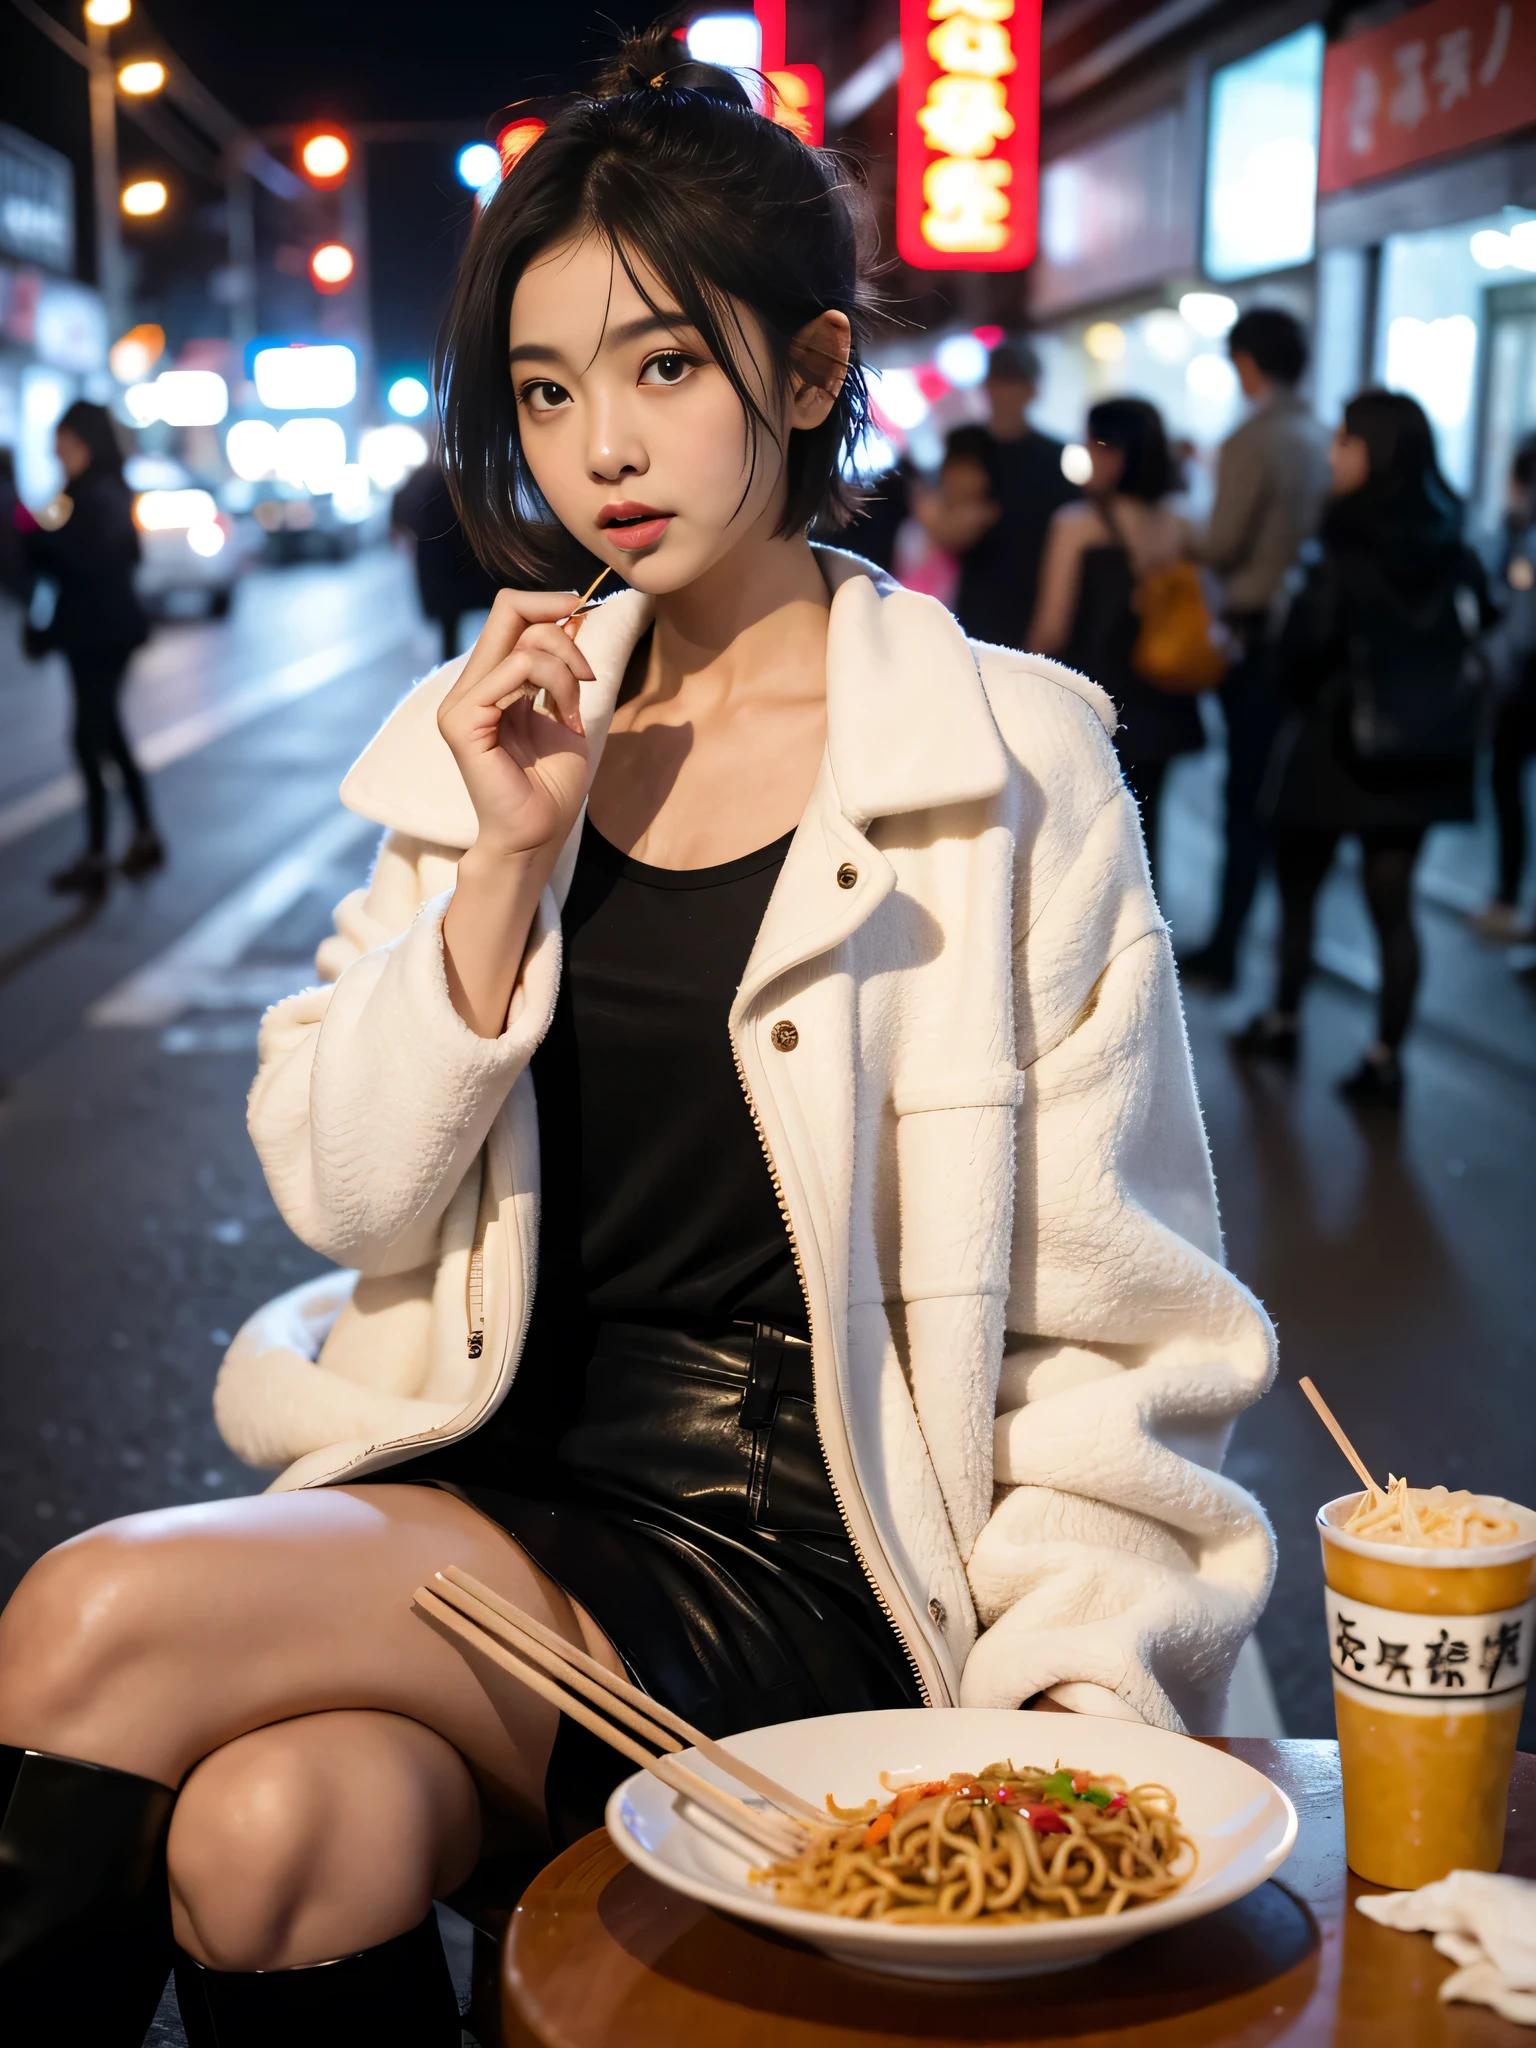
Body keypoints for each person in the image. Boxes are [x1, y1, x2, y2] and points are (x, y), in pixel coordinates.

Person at [0, 32, 1276, 2044]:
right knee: (269, 1835)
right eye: (546, 387)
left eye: (664, 365)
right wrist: (501, 868)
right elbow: (338, 1188)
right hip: (495, 1491)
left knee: (86, 1616)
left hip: (821, 1554)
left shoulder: (1004, 758)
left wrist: (1070, 1715)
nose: (601, 444)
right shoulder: (491, 730)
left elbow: (1124, 1322)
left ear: (808, 368)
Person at [1233, 390, 1492, 1108]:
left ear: (1371, 452)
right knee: (1394, 908)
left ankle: (1283, 1020)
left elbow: (1304, 648)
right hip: (1425, 751)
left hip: (1334, 741)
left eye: (1343, 441)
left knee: (1299, 892)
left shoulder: (1341, 540)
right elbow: (1483, 625)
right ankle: (1386, 1058)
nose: (1331, 453)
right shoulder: (1455, 538)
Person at [1180, 307, 1331, 991]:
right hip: (1309, 639)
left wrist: (1177, 531)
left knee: (1244, 798)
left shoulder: (1251, 439)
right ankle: (1284, 959)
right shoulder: (1321, 436)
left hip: (1254, 636)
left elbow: (1221, 545)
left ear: (1246, 363)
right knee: (1282, 798)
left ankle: (1228, 947)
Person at [1027, 396, 1205, 893]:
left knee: (1092, 840)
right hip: (1165, 701)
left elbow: (1052, 629)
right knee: (1148, 832)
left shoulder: (1076, 525)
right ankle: (1150, 947)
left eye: (1096, 443)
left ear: (1118, 453)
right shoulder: (1183, 524)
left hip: (1096, 707)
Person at [25, 401, 161, 895]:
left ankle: (99, 854)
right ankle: (144, 835)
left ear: (83, 442)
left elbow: (98, 560)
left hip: (103, 634)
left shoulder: (99, 492)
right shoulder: (86, 491)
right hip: (95, 633)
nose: (58, 453)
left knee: (88, 738)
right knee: (108, 736)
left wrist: (40, 542)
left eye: (63, 444)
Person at [911, 337, 1078, 648]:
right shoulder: (966, 447)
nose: (1006, 392)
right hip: (982, 606)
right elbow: (947, 529)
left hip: (1042, 601)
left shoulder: (1058, 455)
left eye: (1013, 381)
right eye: (1001, 381)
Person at [1470, 431, 1536, 943]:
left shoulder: (1527, 541)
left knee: (1508, 785)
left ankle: (1509, 901)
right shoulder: (1517, 534)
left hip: (1525, 686)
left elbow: (1518, 627)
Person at [392, 456, 500, 666]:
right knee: (494, 616)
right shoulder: (451, 483)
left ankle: (451, 669)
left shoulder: (423, 483)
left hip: (443, 572)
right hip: (459, 569)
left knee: (449, 628)